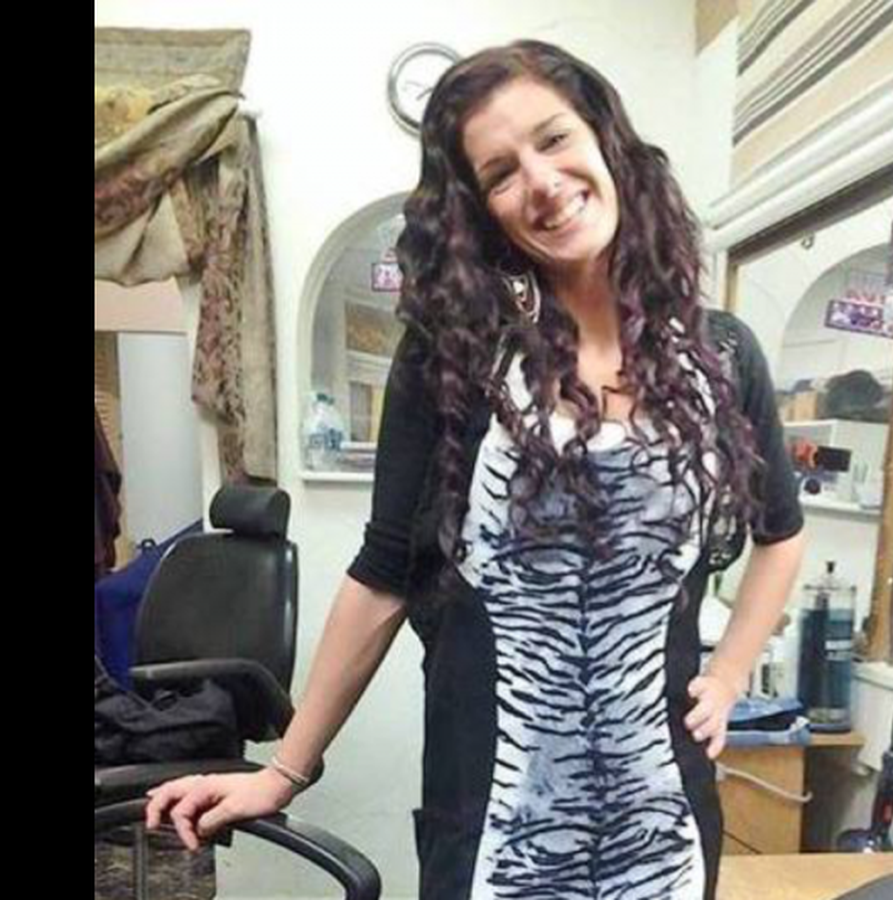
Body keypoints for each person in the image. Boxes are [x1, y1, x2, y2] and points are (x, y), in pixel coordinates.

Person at [146, 40, 806, 900]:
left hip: (663, 827)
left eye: (555, 139)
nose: (542, 182)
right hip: (494, 823)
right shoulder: (453, 359)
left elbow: (781, 535)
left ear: (605, 141)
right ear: (482, 212)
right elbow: (384, 576)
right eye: (500, 174)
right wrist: (284, 771)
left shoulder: (721, 357)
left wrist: (729, 673)